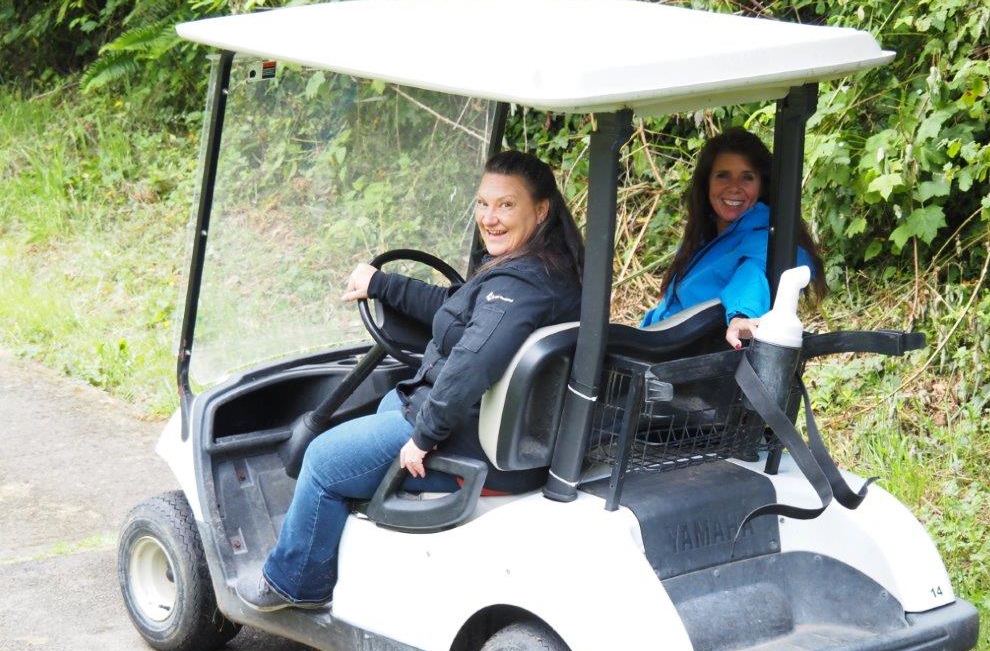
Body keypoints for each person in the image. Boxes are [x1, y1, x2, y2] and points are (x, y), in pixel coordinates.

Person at [237, 150, 584, 611]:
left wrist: (424, 437)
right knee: (384, 404)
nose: (490, 218)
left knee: (321, 461)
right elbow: (456, 306)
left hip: (467, 442)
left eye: (506, 205)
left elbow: (471, 364)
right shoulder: (542, 267)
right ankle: (329, 543)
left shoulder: (520, 286)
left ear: (540, 210)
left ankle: (295, 584)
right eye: (483, 204)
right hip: (489, 427)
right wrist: (382, 284)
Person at [640, 128, 825, 348]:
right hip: (654, 343)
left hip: (687, 356)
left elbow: (754, 273)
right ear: (707, 183)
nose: (734, 187)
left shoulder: (765, 237)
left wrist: (741, 315)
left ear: (761, 186)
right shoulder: (702, 239)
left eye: (747, 178)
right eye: (723, 176)